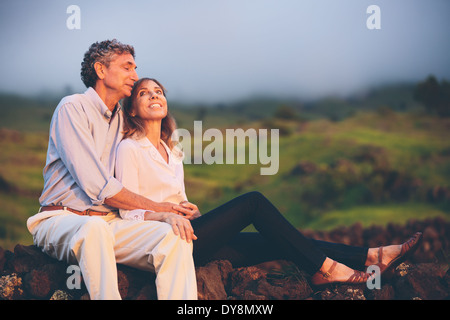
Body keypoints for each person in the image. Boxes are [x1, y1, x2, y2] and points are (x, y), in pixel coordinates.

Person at [115, 77, 423, 289]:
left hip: (194, 237)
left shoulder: (173, 151)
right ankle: (331, 269)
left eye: (158, 91)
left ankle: (369, 257)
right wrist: (167, 215)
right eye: (144, 93)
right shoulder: (129, 148)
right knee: (253, 203)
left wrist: (191, 213)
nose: (155, 95)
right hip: (165, 243)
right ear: (131, 109)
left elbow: (178, 200)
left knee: (279, 240)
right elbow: (129, 214)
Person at [26, 40, 198, 300]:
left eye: (135, 68)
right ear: (101, 70)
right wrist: (163, 209)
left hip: (110, 223)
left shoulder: (121, 118)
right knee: (93, 230)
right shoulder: (72, 108)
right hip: (61, 219)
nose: (135, 75)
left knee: (174, 236)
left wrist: (176, 210)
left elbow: (148, 152)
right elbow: (98, 187)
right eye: (127, 67)